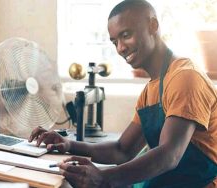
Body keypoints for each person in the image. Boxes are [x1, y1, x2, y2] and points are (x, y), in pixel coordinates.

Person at [28, 0, 217, 187]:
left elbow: (170, 155)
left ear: (153, 25)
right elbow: (123, 150)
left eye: (126, 35)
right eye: (114, 41)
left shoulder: (185, 77)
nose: (120, 48)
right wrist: (68, 145)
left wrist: (104, 178)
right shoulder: (150, 90)